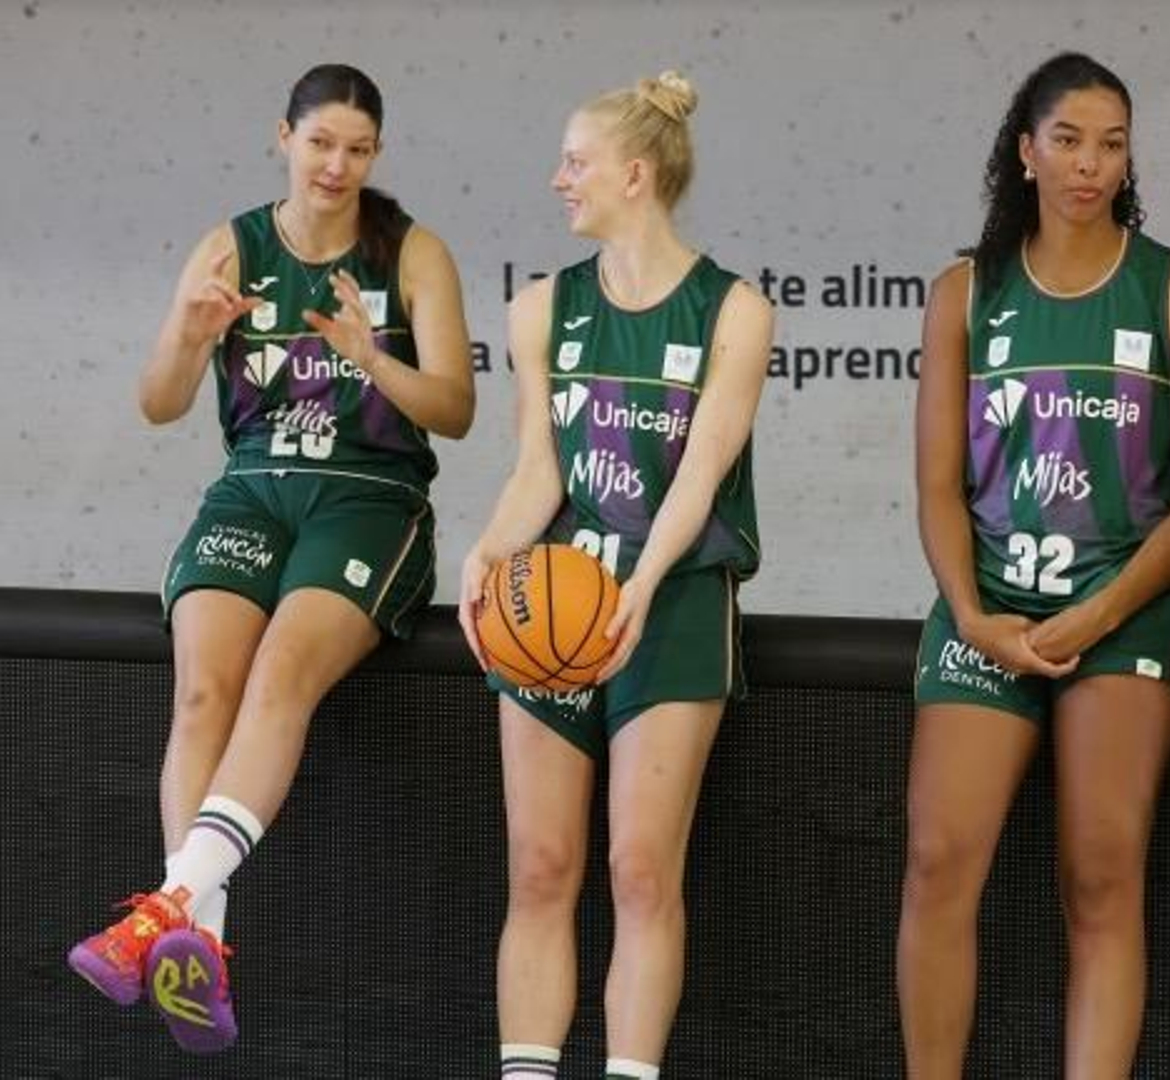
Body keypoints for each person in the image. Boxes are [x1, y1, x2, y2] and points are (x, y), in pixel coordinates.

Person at [67, 63, 474, 1054]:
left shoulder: (410, 252)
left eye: (358, 148)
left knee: (280, 675)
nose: (336, 163)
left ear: (375, 156)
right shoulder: (231, 245)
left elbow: (455, 411)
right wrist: (188, 331)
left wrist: (372, 355)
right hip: (253, 485)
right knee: (203, 691)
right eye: (320, 141)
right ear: (281, 138)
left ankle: (164, 910)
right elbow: (160, 404)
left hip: (366, 493)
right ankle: (196, 939)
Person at [899, 51, 1170, 1077]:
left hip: (1125, 612)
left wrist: (1094, 618)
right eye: (1069, 140)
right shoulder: (965, 291)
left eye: (1112, 143)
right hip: (990, 609)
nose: (1090, 163)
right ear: (1025, 151)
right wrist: (970, 612)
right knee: (938, 860)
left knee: (1098, 874)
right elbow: (938, 489)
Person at [457, 71, 771, 1080]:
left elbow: (700, 470)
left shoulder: (735, 309)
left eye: (576, 162)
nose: (559, 180)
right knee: (541, 869)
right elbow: (539, 469)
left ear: (635, 175)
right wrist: (486, 552)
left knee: (641, 873)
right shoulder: (542, 306)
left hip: (670, 600)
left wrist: (637, 588)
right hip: (556, 593)